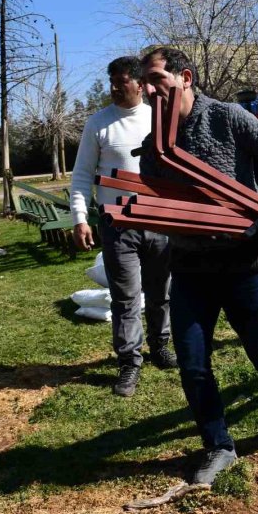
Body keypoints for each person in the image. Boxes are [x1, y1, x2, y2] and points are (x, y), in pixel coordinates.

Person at [138, 47, 258, 485]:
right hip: (190, 265)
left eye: (158, 80)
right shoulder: (158, 135)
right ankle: (218, 445)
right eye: (146, 83)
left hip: (242, 261)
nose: (150, 90)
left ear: (186, 78)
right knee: (193, 365)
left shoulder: (227, 117)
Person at [69, 56, 176, 398]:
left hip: (159, 221)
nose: (115, 88)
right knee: (125, 298)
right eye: (111, 82)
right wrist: (80, 218)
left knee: (162, 292)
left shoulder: (158, 118)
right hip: (118, 226)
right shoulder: (98, 124)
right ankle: (130, 362)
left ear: (140, 84)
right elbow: (83, 175)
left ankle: (160, 347)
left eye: (122, 82)